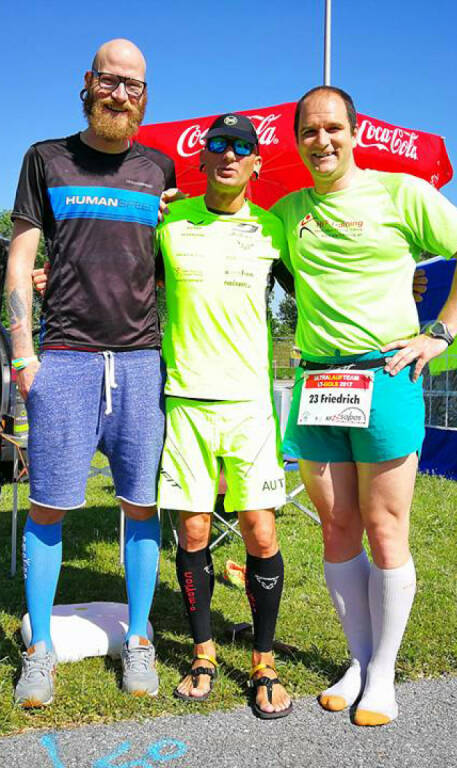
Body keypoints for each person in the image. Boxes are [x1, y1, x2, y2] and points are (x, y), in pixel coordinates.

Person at [270, 86, 457, 726]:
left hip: (385, 374)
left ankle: (384, 674)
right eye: (309, 131)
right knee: (337, 528)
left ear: (354, 132)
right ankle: (358, 660)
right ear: (297, 140)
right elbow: (234, 234)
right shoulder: (286, 212)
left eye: (333, 128)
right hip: (319, 383)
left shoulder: (402, 193)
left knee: (384, 525)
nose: (322, 141)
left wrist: (440, 332)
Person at [5, 38, 177, 708]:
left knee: (141, 504)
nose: (121, 94)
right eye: (110, 80)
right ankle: (39, 650)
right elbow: (21, 259)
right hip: (66, 360)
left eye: (134, 85)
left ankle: (140, 640)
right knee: (48, 504)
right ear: (88, 82)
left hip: (140, 360)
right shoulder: (44, 158)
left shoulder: (159, 169)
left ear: (144, 95)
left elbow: (165, 265)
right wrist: (24, 352)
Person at [156, 114, 295, 719]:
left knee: (260, 531)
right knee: (192, 533)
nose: (230, 154)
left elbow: (320, 286)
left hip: (249, 406)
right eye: (219, 144)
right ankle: (204, 653)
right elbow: (120, 275)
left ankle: (263, 662)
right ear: (203, 158)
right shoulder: (169, 222)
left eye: (242, 147)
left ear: (256, 163)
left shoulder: (273, 229)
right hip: (185, 401)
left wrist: (401, 285)